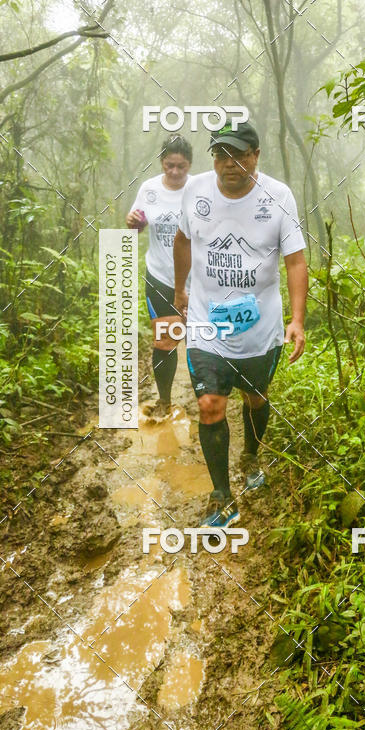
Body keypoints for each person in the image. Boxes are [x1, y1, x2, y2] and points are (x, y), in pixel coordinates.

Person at [173, 120, 308, 528]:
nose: (228, 164)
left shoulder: (278, 196)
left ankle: (251, 453)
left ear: (256, 155)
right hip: (206, 322)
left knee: (255, 396)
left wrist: (297, 319)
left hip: (259, 328)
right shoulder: (195, 190)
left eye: (237, 155)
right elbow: (182, 240)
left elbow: (296, 261)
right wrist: (180, 290)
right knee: (210, 404)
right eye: (219, 155)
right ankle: (221, 495)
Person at [126, 135, 193, 420]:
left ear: (190, 164)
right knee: (165, 342)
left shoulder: (201, 188)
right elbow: (138, 223)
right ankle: (164, 401)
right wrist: (134, 223)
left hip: (199, 280)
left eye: (181, 166)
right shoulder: (149, 188)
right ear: (161, 162)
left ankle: (209, 402)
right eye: (169, 166)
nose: (175, 172)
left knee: (203, 341)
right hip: (160, 278)